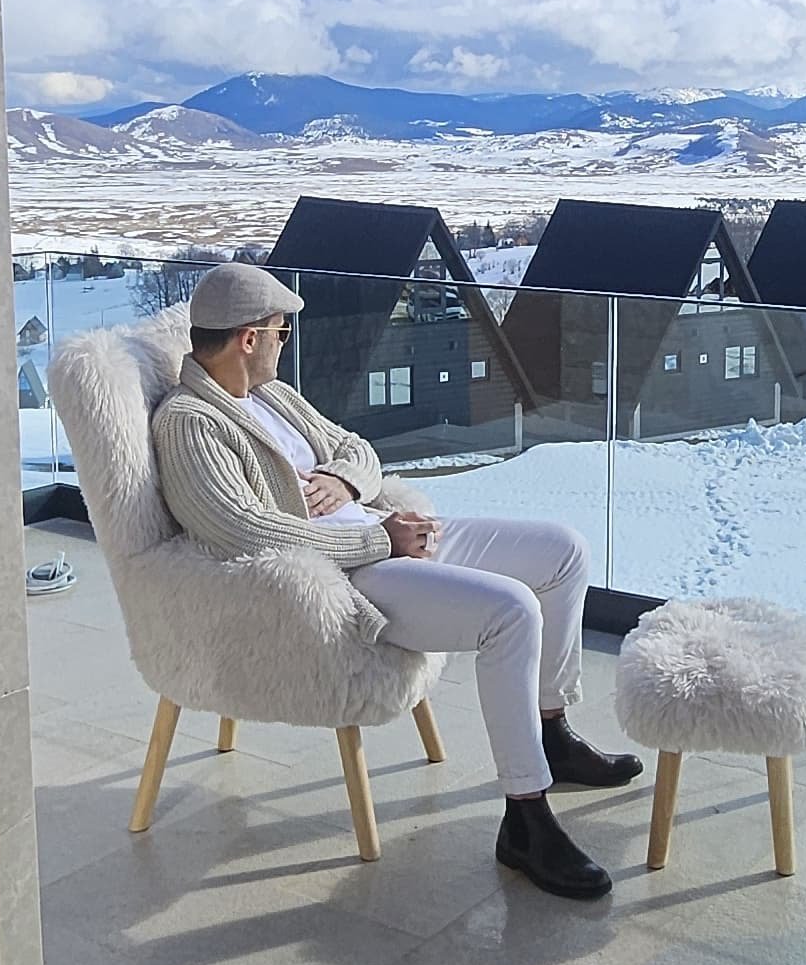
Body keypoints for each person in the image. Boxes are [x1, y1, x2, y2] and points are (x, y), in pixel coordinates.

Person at [151, 261, 641, 899]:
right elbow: (248, 534)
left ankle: (552, 733)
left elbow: (358, 448)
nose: (284, 344)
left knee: (563, 552)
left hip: (382, 530)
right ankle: (526, 817)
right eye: (280, 332)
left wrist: (345, 481)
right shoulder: (190, 423)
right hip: (351, 574)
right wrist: (382, 540)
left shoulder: (270, 396)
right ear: (249, 338)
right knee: (512, 611)